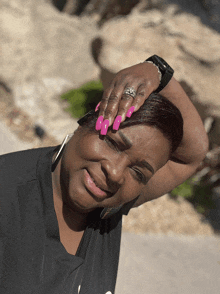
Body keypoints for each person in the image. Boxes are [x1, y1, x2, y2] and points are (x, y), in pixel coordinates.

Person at [0, 56, 208, 294]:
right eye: (113, 143)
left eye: (138, 171)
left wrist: (159, 73)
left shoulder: (110, 206)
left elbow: (192, 153)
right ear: (86, 122)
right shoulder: (7, 195)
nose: (116, 173)